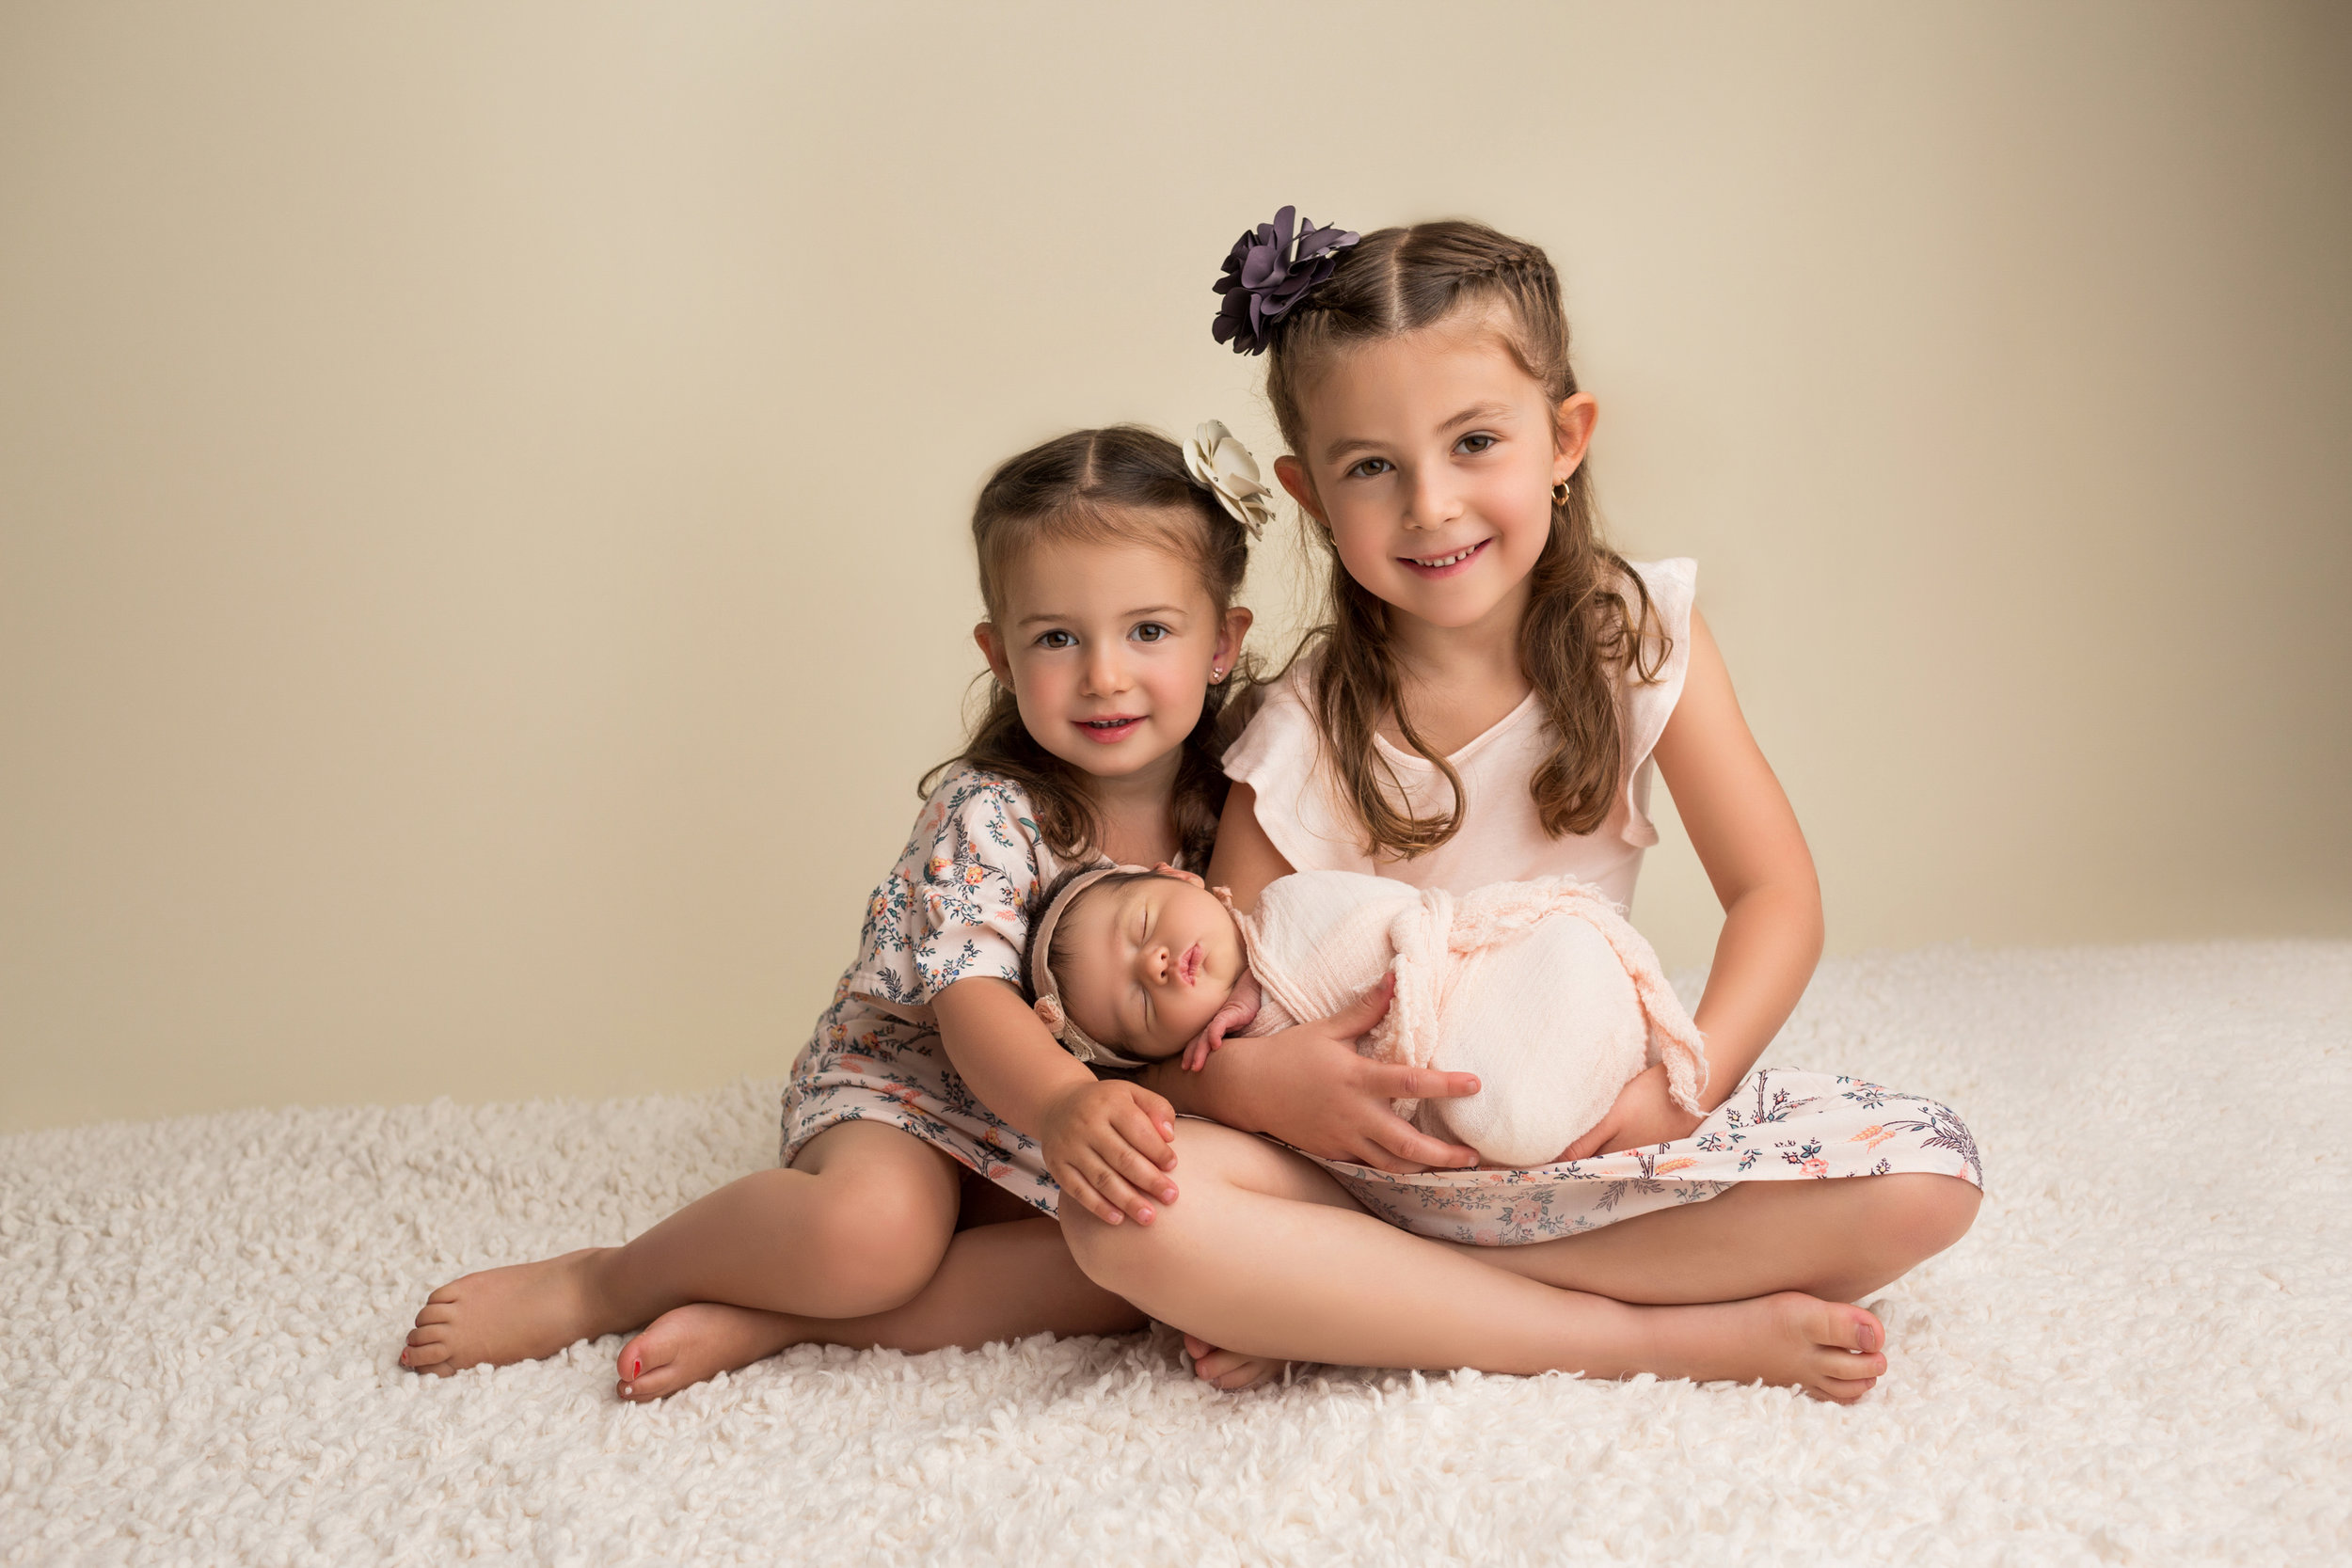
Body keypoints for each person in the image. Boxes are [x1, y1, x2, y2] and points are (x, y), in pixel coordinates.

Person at [1060, 214, 1983, 1402]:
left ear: (1564, 437)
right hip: (1364, 1163)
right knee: (1126, 1219)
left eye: (1474, 442)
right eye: (1371, 467)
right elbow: (1211, 982)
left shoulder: (1638, 639)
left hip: (1587, 1141)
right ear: (1307, 493)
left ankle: (1362, 1302)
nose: (1431, 506)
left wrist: (1680, 1089)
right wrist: (1258, 1086)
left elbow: (1775, 894)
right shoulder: (1299, 723)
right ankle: (1643, 1335)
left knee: (1928, 1174)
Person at [400, 424, 1308, 1401]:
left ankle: (779, 1316)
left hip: (1069, 1126)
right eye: (1056, 637)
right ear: (998, 654)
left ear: (1222, 642)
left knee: (1134, 1249)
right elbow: (970, 1008)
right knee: (874, 1233)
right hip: (915, 1087)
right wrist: (1058, 1104)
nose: (1104, 674)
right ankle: (607, 1277)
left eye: (1148, 630)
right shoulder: (990, 809)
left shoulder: (1241, 796)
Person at [1024, 862, 1709, 1169]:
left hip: (1464, 964)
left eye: (1144, 923)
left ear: (1181, 877)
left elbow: (1381, 922)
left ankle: (1583, 1019)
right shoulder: (1247, 1069)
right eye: (1143, 1005)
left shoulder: (1288, 901)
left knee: (1560, 951)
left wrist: (1261, 985)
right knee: (1500, 1113)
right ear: (1164, 1053)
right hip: (1453, 1078)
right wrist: (1254, 1018)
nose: (1158, 965)